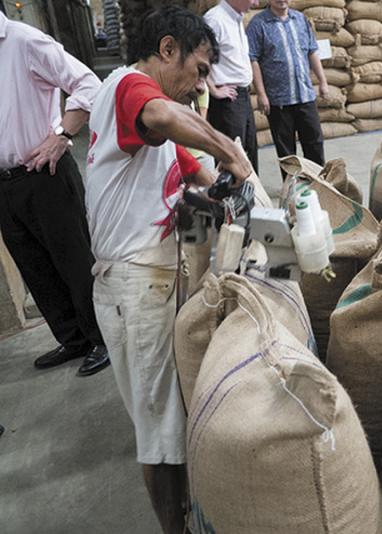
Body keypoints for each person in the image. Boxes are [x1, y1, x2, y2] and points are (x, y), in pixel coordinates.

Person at [84, 7, 252, 532]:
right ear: (167, 50)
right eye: (198, 71)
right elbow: (163, 117)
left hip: (160, 278)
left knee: (173, 415)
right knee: (159, 430)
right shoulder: (128, 86)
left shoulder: (161, 138)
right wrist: (232, 152)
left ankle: (189, 506)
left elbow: (199, 179)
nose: (200, 86)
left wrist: (234, 196)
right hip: (134, 286)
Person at [0, 10, 109, 376]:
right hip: (5, 183)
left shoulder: (22, 40)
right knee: (36, 267)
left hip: (44, 173)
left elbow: (88, 83)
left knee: (74, 260)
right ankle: (73, 338)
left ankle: (102, 337)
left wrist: (62, 134)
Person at [247, 0, 329, 168]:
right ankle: (292, 189)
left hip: (305, 95)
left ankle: (319, 185)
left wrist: (323, 81)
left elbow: (312, 51)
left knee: (315, 143)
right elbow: (253, 59)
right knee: (287, 152)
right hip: (278, 100)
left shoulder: (300, 19)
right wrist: (261, 94)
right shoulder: (258, 24)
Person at [204, 0, 260, 174]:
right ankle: (230, 199)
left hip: (242, 96)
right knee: (231, 157)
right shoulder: (215, 20)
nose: (256, 3)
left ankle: (251, 197)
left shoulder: (236, 19)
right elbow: (198, 57)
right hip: (227, 101)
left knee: (248, 151)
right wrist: (213, 89)